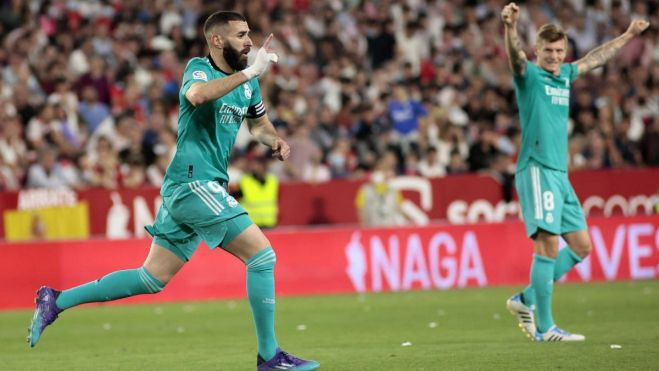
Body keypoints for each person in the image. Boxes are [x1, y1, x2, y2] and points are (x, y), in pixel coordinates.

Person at [28, 11, 320, 371]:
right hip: (192, 182)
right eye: (241, 35)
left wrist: (274, 141)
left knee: (151, 278)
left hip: (194, 187)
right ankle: (270, 357)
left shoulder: (249, 84)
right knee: (262, 257)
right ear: (217, 40)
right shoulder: (199, 69)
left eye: (249, 34)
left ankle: (55, 300)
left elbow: (258, 124)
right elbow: (197, 96)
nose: (249, 41)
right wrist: (250, 72)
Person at [501, 2, 649, 342]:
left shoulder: (565, 74)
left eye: (558, 50)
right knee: (548, 247)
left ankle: (525, 299)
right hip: (537, 169)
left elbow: (596, 58)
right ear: (537, 50)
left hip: (560, 173)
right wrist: (510, 28)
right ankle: (544, 327)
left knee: (582, 246)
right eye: (547, 50)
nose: (553, 56)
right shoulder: (530, 75)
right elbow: (515, 58)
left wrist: (627, 35)